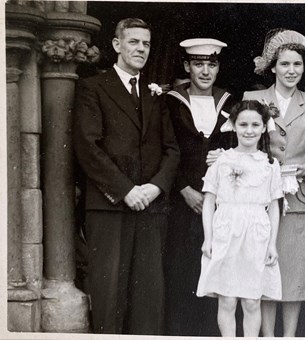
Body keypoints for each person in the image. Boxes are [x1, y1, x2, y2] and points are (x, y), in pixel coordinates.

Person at [73, 18, 179, 334]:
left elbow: (171, 149)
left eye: (146, 43)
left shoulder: (155, 94)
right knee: (110, 293)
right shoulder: (94, 87)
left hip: (150, 206)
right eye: (133, 42)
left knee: (149, 294)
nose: (141, 49)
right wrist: (125, 190)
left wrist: (155, 188)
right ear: (117, 45)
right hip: (110, 206)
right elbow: (87, 147)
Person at [243, 28, 305, 336]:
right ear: (273, 67)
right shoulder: (253, 99)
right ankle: (267, 335)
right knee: (266, 269)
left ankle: (289, 335)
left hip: (299, 197)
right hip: (261, 198)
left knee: (294, 272)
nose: (291, 71)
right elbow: (243, 146)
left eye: (297, 65)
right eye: (285, 64)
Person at [164, 38, 236, 336]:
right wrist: (183, 188)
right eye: (198, 64)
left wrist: (227, 155)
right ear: (186, 66)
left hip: (220, 203)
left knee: (216, 272)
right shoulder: (171, 101)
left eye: (212, 64)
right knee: (181, 271)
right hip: (181, 201)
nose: (205, 71)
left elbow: (243, 147)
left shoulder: (230, 102)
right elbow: (162, 148)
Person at [196, 100, 283, 337]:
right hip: (226, 232)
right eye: (243, 124)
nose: (249, 130)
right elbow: (209, 202)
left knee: (252, 301)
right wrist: (208, 239)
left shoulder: (269, 165)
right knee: (227, 300)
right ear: (233, 126)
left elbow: (274, 206)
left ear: (264, 127)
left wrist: (272, 243)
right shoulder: (221, 160)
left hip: (256, 234)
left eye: (256, 124)